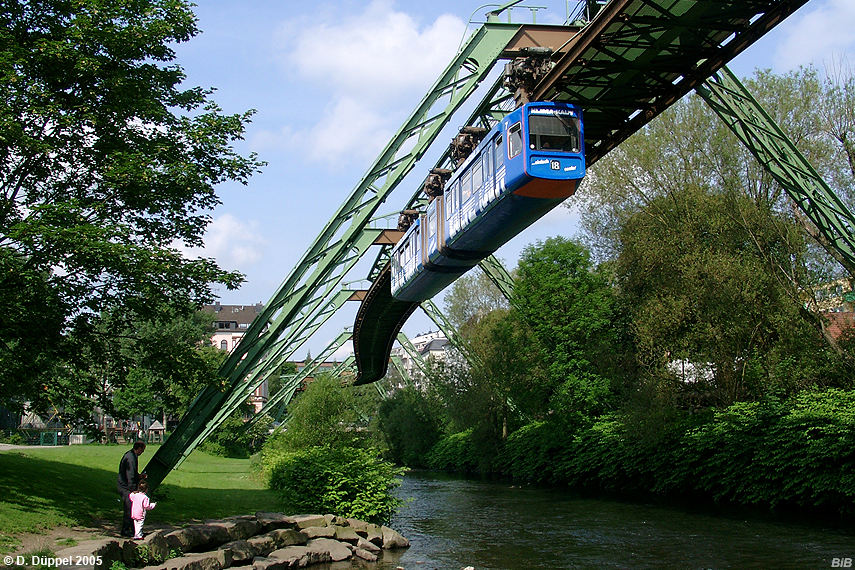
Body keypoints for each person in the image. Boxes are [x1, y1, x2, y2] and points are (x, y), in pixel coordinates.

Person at [117, 440, 146, 537]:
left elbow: (132, 473)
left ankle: (132, 530)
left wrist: (139, 476)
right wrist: (134, 490)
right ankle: (125, 530)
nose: (142, 452)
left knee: (131, 508)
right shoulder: (131, 458)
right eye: (142, 450)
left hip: (124, 485)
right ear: (139, 448)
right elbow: (130, 475)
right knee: (129, 509)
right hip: (126, 487)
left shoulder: (130, 455)